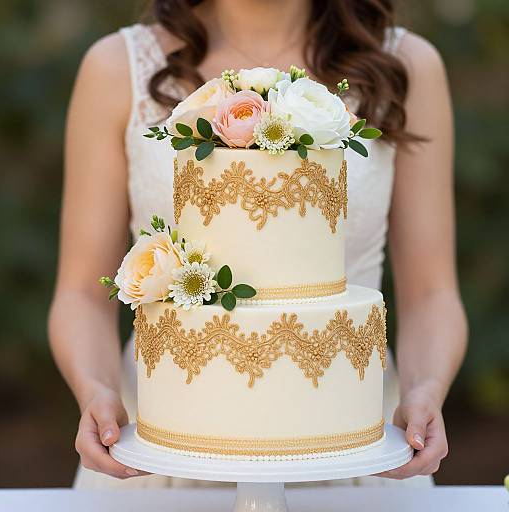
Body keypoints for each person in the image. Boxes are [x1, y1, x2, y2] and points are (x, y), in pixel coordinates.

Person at [48, 0, 468, 489]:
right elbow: (80, 292)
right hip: (161, 446)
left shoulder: (406, 66)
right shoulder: (116, 66)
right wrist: (95, 389)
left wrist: (425, 391)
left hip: (354, 443)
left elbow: (432, 293)